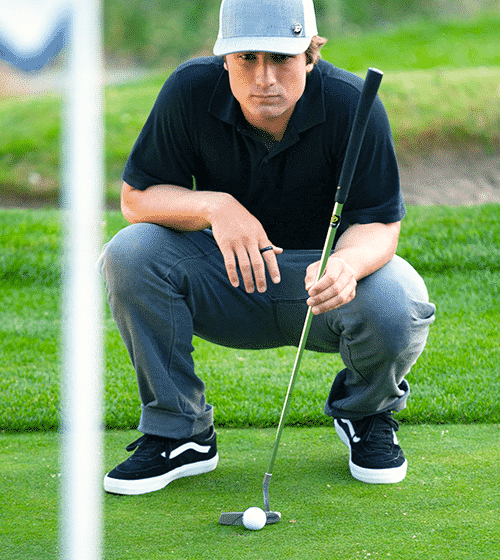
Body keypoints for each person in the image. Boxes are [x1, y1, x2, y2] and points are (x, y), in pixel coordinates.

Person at [99, 0, 435, 495]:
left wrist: (345, 264)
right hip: (227, 279)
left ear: (310, 54)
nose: (264, 79)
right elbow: (137, 198)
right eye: (246, 59)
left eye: (281, 58)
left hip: (323, 292)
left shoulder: (352, 103)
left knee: (398, 298)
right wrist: (215, 207)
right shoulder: (189, 90)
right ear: (224, 59)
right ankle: (180, 432)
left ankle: (365, 414)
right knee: (130, 252)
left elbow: (379, 223)